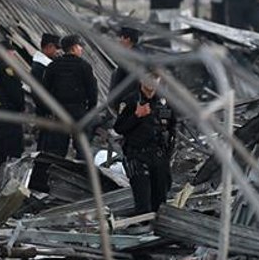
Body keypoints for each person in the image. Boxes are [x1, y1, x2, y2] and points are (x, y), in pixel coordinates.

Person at [114, 74, 177, 216]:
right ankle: (143, 230)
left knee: (160, 201)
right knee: (143, 201)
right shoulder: (131, 100)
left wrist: (169, 152)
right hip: (138, 156)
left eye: (155, 78)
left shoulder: (164, 102)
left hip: (159, 156)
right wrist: (136, 116)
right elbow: (119, 128)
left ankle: (158, 233)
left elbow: (172, 127)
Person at [38, 35, 99, 161]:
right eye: (79, 46)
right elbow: (92, 91)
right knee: (83, 149)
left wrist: (48, 110)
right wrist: (91, 109)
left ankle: (54, 173)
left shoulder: (53, 66)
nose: (81, 49)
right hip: (79, 111)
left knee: (57, 150)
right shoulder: (84, 66)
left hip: (60, 111)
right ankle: (82, 176)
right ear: (74, 48)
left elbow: (44, 91)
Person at [109, 26, 143, 108]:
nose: (119, 40)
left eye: (121, 37)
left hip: (127, 100)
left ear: (127, 39)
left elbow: (130, 81)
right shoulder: (136, 53)